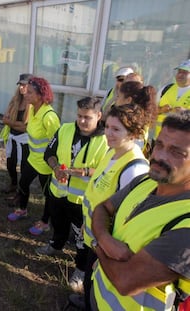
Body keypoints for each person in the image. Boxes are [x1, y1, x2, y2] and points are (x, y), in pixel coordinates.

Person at [90, 110, 190, 311]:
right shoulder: (145, 181)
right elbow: (102, 208)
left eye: (176, 152)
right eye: (159, 144)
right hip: (97, 296)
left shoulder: (186, 224)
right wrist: (105, 239)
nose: (159, 156)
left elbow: (125, 281)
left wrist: (97, 245)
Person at [67, 103, 152, 310]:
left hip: (105, 244)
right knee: (89, 279)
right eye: (107, 127)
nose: (108, 134)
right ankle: (86, 299)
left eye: (116, 129)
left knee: (96, 283)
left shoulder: (134, 168)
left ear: (133, 133)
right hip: (93, 236)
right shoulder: (112, 151)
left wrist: (105, 250)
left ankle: (89, 303)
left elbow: (127, 218)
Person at [35, 97, 108, 293]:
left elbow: (108, 170)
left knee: (82, 237)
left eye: (87, 117)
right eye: (79, 116)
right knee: (58, 224)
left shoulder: (106, 139)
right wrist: (55, 166)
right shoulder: (65, 129)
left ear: (99, 116)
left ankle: (81, 269)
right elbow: (48, 153)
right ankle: (55, 245)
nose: (82, 121)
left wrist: (83, 172)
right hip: (58, 192)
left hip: (82, 201)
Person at [7, 76, 60, 221]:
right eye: (26, 91)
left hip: (46, 164)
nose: (25, 94)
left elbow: (57, 143)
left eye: (30, 92)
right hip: (32, 159)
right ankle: (22, 209)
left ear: (40, 95)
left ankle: (44, 222)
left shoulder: (49, 116)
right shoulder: (32, 110)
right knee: (23, 184)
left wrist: (55, 165)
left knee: (47, 194)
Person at [0, 73, 32, 195]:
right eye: (20, 85)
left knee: (24, 167)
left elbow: (27, 128)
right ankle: (13, 184)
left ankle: (21, 192)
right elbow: (4, 119)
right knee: (10, 164)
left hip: (25, 141)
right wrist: (18, 124)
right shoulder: (15, 99)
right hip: (13, 137)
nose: (21, 88)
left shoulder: (32, 104)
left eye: (24, 85)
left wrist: (11, 123)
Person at [154, 59, 190, 139]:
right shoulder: (166, 88)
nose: (180, 75)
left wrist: (186, 113)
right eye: (179, 71)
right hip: (159, 139)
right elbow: (150, 110)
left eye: (185, 72)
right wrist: (160, 110)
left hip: (182, 143)